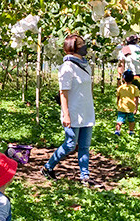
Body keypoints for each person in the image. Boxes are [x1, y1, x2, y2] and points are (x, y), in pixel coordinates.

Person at [41, 34, 98, 187]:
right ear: (74, 49)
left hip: (86, 111)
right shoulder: (67, 67)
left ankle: (84, 177)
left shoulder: (85, 65)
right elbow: (63, 93)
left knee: (85, 146)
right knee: (71, 144)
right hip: (73, 112)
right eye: (82, 46)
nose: (85, 48)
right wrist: (66, 114)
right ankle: (48, 167)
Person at [115, 70, 140, 136]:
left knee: (119, 120)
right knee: (131, 120)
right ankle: (131, 131)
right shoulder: (134, 88)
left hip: (122, 107)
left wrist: (118, 104)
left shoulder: (121, 87)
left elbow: (118, 97)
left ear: (123, 78)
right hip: (131, 108)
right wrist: (136, 107)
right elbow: (136, 98)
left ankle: (117, 131)